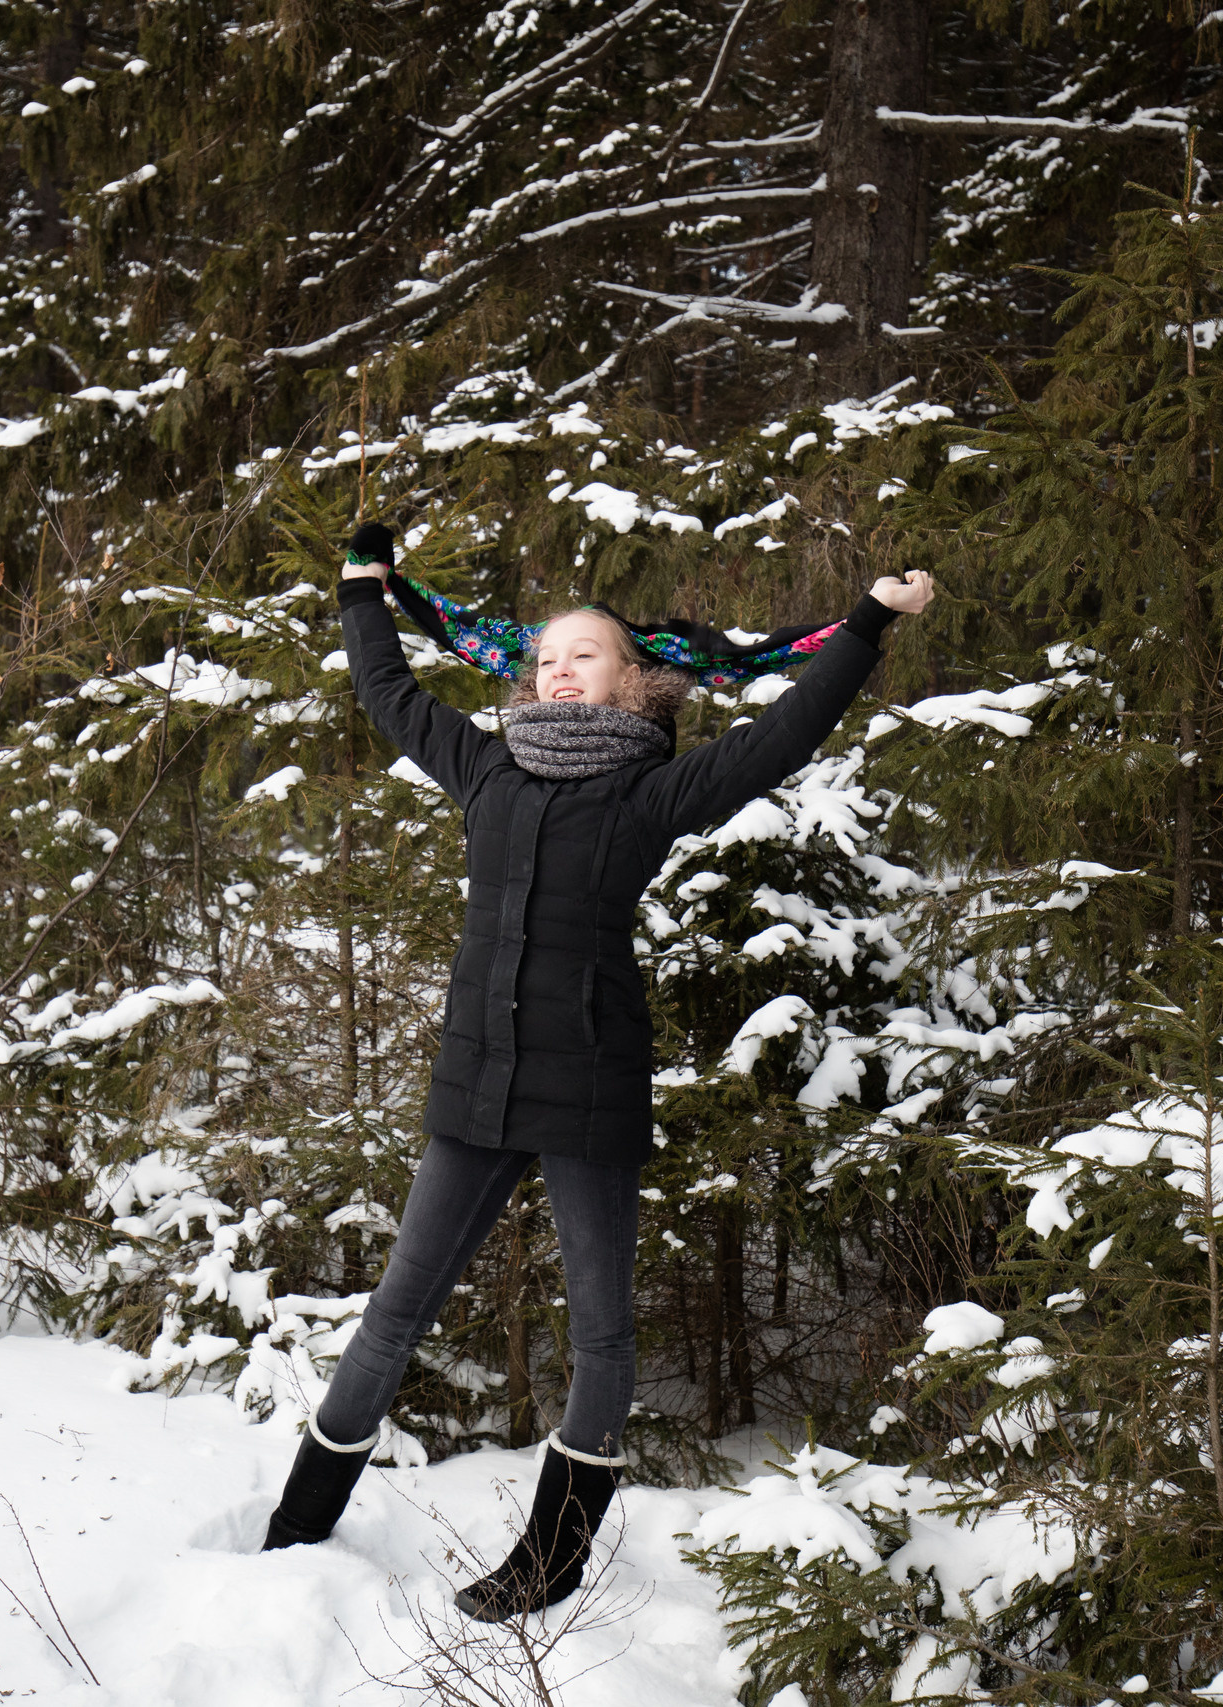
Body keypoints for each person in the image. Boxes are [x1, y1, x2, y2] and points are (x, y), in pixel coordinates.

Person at [262, 521, 935, 1621]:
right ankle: (294, 1533)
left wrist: (866, 626)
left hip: (590, 1089)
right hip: (475, 1088)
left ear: (633, 681)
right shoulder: (484, 766)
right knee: (394, 1314)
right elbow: (386, 689)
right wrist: (357, 590)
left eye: (587, 652)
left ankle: (549, 1563)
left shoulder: (650, 795)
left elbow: (784, 734)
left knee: (600, 1335)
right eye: (547, 656)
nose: (561, 666)